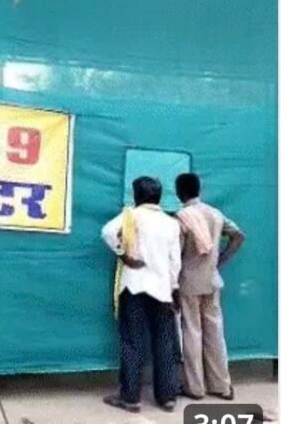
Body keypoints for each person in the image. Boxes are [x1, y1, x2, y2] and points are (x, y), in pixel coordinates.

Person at [101, 177, 182, 413]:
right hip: (162, 290)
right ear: (159, 197)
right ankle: (167, 397)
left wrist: (123, 254)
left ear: (137, 196)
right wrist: (173, 288)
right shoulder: (171, 223)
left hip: (134, 287)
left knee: (132, 342)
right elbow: (175, 262)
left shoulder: (131, 216)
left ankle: (130, 397)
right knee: (164, 343)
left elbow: (107, 232)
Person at [174, 173, 245, 401]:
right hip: (212, 280)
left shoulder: (182, 217)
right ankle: (222, 386)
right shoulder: (215, 214)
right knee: (215, 333)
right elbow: (238, 236)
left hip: (188, 283)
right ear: (199, 189)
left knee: (192, 333)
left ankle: (195, 388)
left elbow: (175, 256)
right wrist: (221, 259)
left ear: (179, 192)